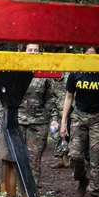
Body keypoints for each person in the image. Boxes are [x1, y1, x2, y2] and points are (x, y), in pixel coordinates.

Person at [60, 47, 99, 197]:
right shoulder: (76, 72)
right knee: (74, 155)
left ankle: (93, 196)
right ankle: (82, 180)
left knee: (96, 157)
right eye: (87, 56)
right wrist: (63, 122)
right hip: (79, 116)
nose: (90, 59)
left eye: (93, 56)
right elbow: (69, 98)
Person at [17, 43, 62, 182]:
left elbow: (50, 98)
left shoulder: (44, 73)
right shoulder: (16, 70)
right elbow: (6, 97)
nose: (32, 52)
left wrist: (54, 117)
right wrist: (1, 116)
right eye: (29, 49)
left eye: (35, 50)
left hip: (39, 121)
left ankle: (32, 186)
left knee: (34, 156)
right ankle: (18, 186)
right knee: (17, 154)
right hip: (18, 119)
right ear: (24, 51)